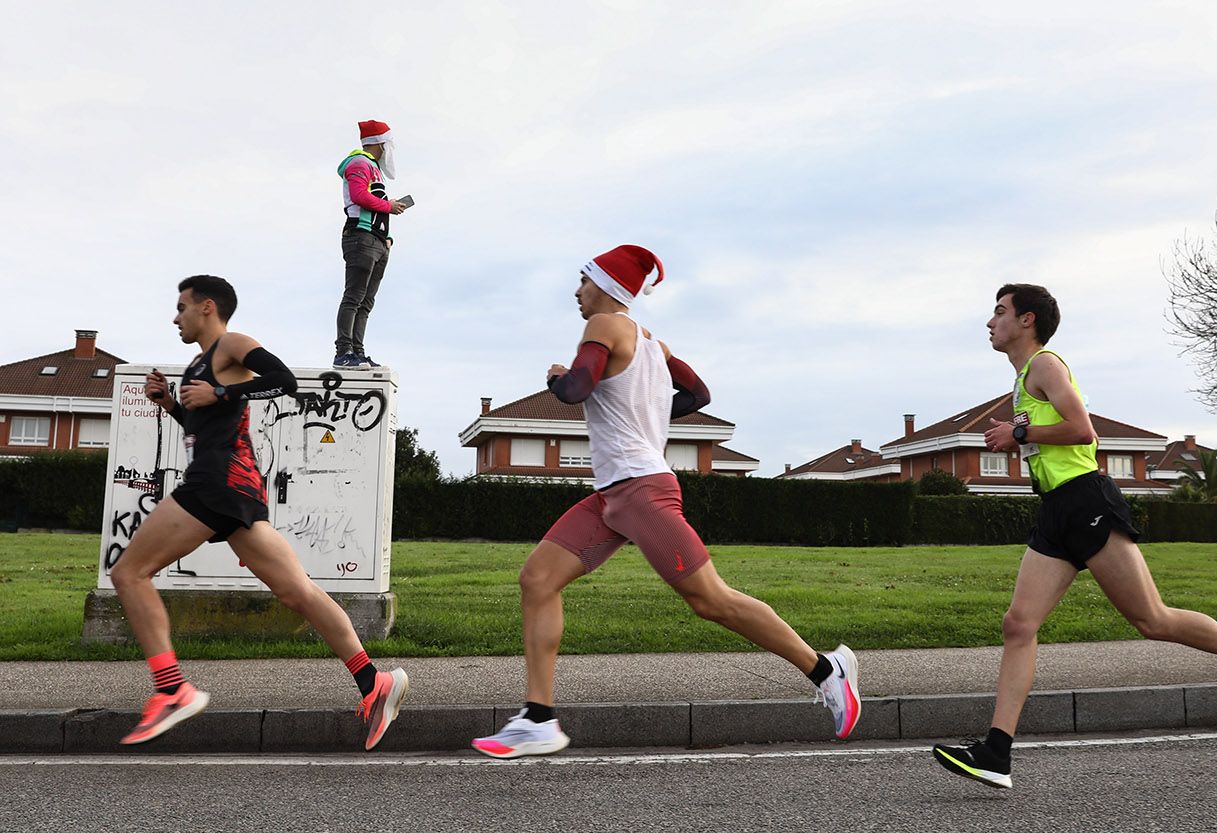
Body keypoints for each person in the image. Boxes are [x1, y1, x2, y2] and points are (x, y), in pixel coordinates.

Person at [470, 245, 860, 759]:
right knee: (538, 579)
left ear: (607, 287)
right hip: (614, 494)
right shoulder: (654, 345)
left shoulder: (605, 326)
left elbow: (575, 388)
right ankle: (539, 718)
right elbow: (698, 395)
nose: (576, 292)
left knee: (710, 600)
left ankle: (825, 669)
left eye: (583, 281)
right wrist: (647, 411)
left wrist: (553, 378)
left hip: (642, 491)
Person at [932, 284, 1217, 791]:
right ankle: (997, 751)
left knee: (1152, 620)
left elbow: (1083, 430)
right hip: (1057, 510)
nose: (990, 322)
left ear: (1027, 320)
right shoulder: (1023, 379)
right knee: (1018, 624)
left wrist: (1017, 435)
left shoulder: (1046, 365)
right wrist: (1021, 434)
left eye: (999, 312)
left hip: (1087, 503)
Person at [114, 275, 408, 748]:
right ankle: (374, 682)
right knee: (299, 592)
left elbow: (285, 381)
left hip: (217, 482)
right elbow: (205, 424)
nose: (176, 316)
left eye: (182, 307)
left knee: (129, 573)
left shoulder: (233, 345)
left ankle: (171, 690)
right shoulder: (199, 363)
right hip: (237, 489)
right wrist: (170, 402)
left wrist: (222, 393)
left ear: (207, 307)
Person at [334, 119, 405, 368]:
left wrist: (386, 238)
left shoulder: (373, 168)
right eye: (387, 143)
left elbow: (372, 201)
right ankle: (344, 352)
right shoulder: (359, 163)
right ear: (379, 143)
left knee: (366, 301)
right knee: (354, 296)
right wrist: (389, 206)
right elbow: (359, 196)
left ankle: (357, 352)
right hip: (360, 237)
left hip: (376, 239)